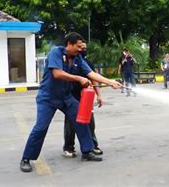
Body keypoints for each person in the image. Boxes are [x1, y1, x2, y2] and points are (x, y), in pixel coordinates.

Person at [19, 32, 121, 173]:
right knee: (41, 127)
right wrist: (79, 78)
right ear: (69, 44)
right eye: (78, 46)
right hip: (48, 98)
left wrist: (110, 82)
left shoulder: (78, 58)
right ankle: (26, 158)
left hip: (66, 97)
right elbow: (57, 74)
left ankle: (87, 151)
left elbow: (91, 74)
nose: (81, 49)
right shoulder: (56, 52)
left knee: (81, 121)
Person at [62, 42, 103, 158]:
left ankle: (93, 146)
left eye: (84, 48)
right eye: (80, 48)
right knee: (70, 123)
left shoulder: (87, 63)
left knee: (90, 122)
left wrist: (98, 95)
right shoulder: (68, 62)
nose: (82, 50)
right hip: (71, 96)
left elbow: (94, 78)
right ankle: (68, 147)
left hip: (86, 96)